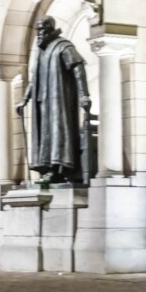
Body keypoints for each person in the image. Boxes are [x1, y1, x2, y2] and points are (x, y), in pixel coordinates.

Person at [16, 16, 92, 183]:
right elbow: (34, 79)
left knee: (58, 135)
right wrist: (24, 99)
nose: (39, 34)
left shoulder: (63, 47)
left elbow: (78, 68)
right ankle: (47, 170)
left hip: (58, 101)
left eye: (42, 30)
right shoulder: (41, 52)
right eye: (37, 30)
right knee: (44, 137)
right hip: (42, 101)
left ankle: (57, 170)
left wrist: (84, 94)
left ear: (50, 30)